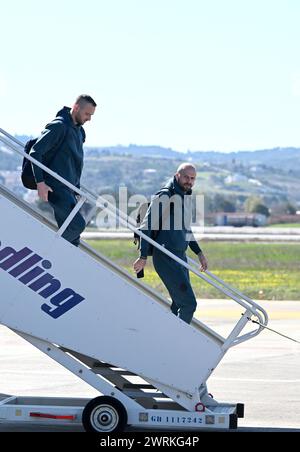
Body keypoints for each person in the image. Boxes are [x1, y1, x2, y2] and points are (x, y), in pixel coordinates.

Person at [133, 163, 208, 324]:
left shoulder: (185, 196)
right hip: (166, 256)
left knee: (177, 305)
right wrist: (143, 256)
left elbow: (186, 230)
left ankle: (167, 340)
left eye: (193, 178)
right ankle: (179, 344)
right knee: (188, 304)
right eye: (186, 177)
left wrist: (199, 253)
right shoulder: (165, 196)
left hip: (180, 256)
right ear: (177, 175)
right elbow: (146, 227)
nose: (189, 181)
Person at [30, 95, 97, 246]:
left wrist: (77, 188)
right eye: (87, 114)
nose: (89, 119)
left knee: (73, 240)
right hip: (56, 187)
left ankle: (63, 266)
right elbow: (35, 152)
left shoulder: (80, 132)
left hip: (70, 189)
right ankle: (46, 250)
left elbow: (73, 162)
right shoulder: (59, 126)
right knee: (77, 225)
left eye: (91, 115)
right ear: (76, 108)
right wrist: (40, 183)